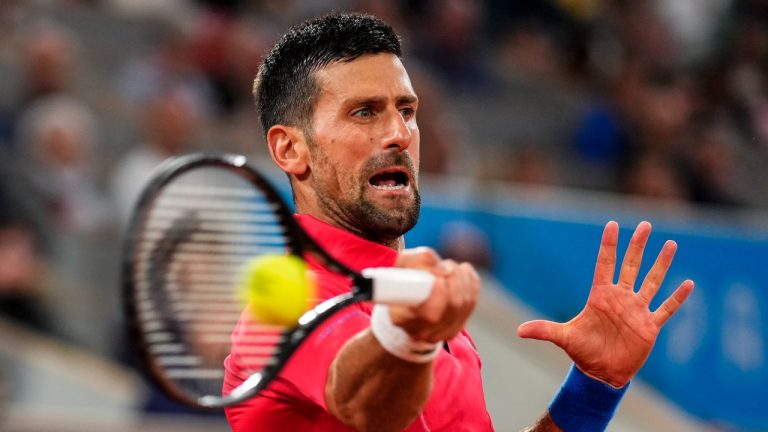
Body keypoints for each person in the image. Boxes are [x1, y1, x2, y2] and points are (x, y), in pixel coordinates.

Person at [224, 13, 694, 432]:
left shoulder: (432, 314)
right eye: (364, 112)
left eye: (406, 111)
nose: (398, 134)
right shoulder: (278, 311)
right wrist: (408, 335)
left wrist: (592, 391)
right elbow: (369, 411)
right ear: (290, 149)